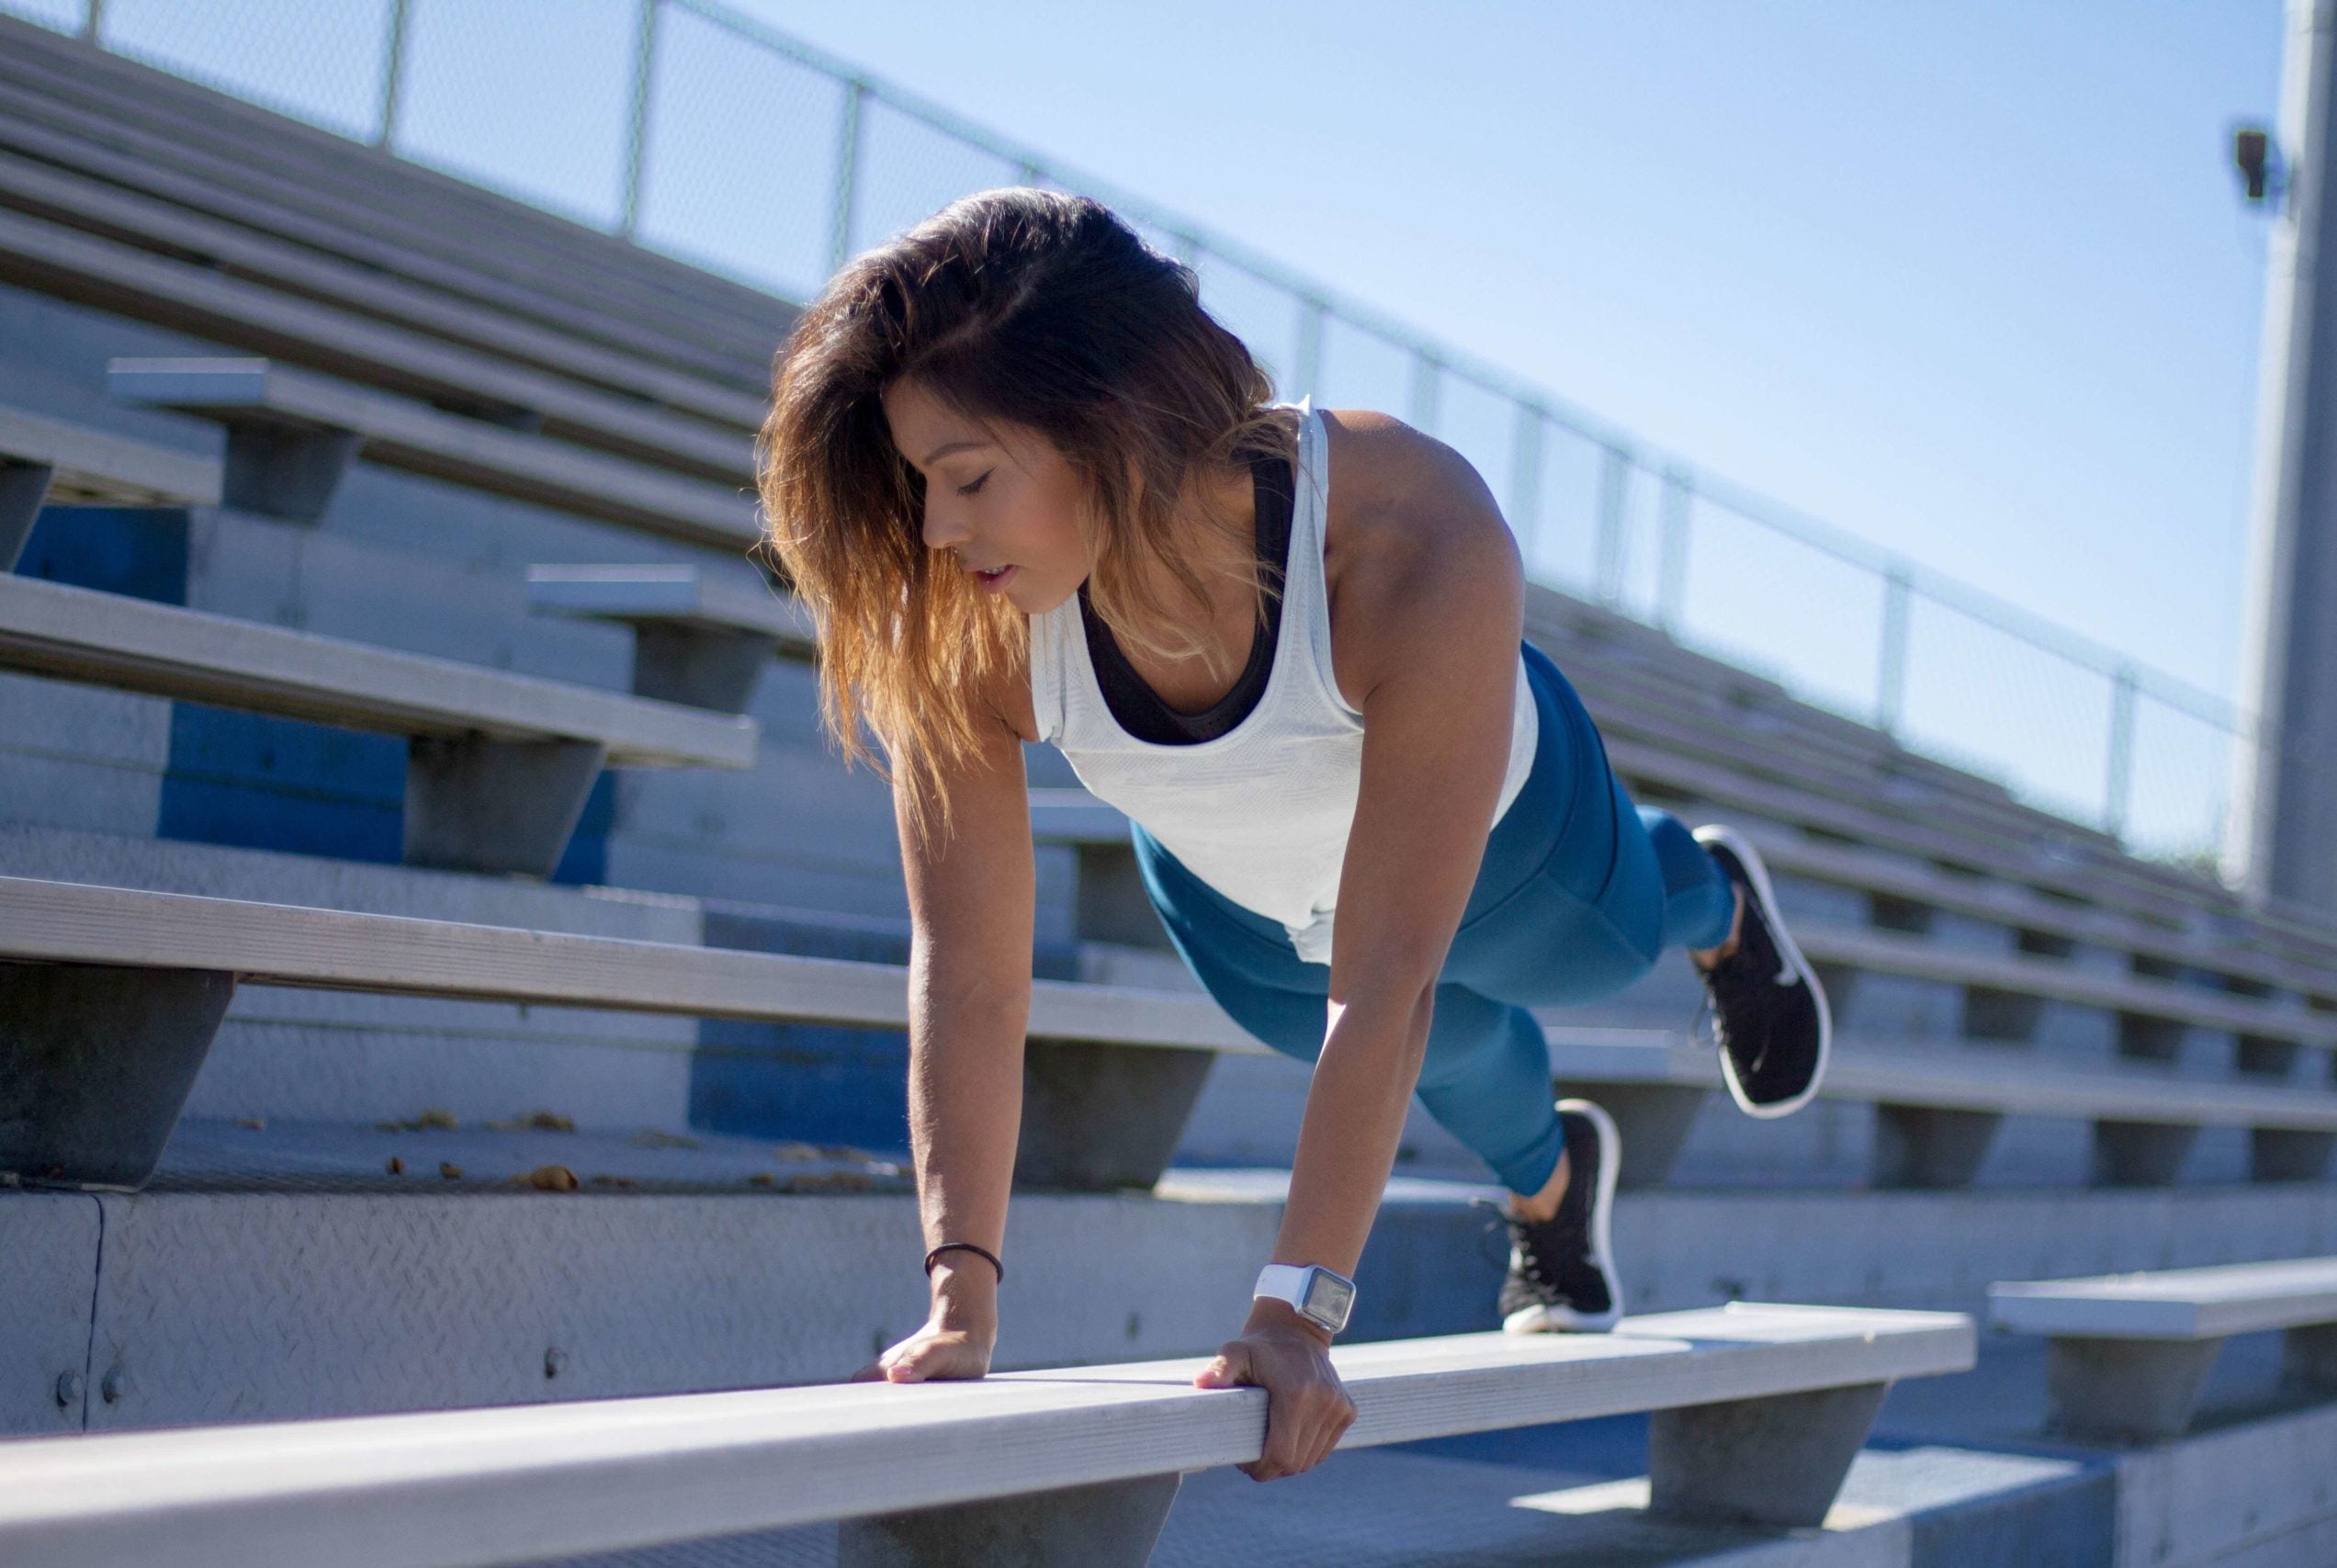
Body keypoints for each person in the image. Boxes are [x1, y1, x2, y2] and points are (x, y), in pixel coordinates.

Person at [756, 187, 1831, 1483]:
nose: (935, 528)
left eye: (969, 477)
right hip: (1240, 895)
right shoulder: (967, 616)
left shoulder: (1406, 530)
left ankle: (1709, 895)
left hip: (1507, 836)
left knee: (1572, 963)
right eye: (920, 483)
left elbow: (1388, 980)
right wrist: (960, 1300)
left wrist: (1293, 1315)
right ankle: (1553, 1190)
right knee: (1435, 1045)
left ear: (1112, 420)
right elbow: (970, 973)